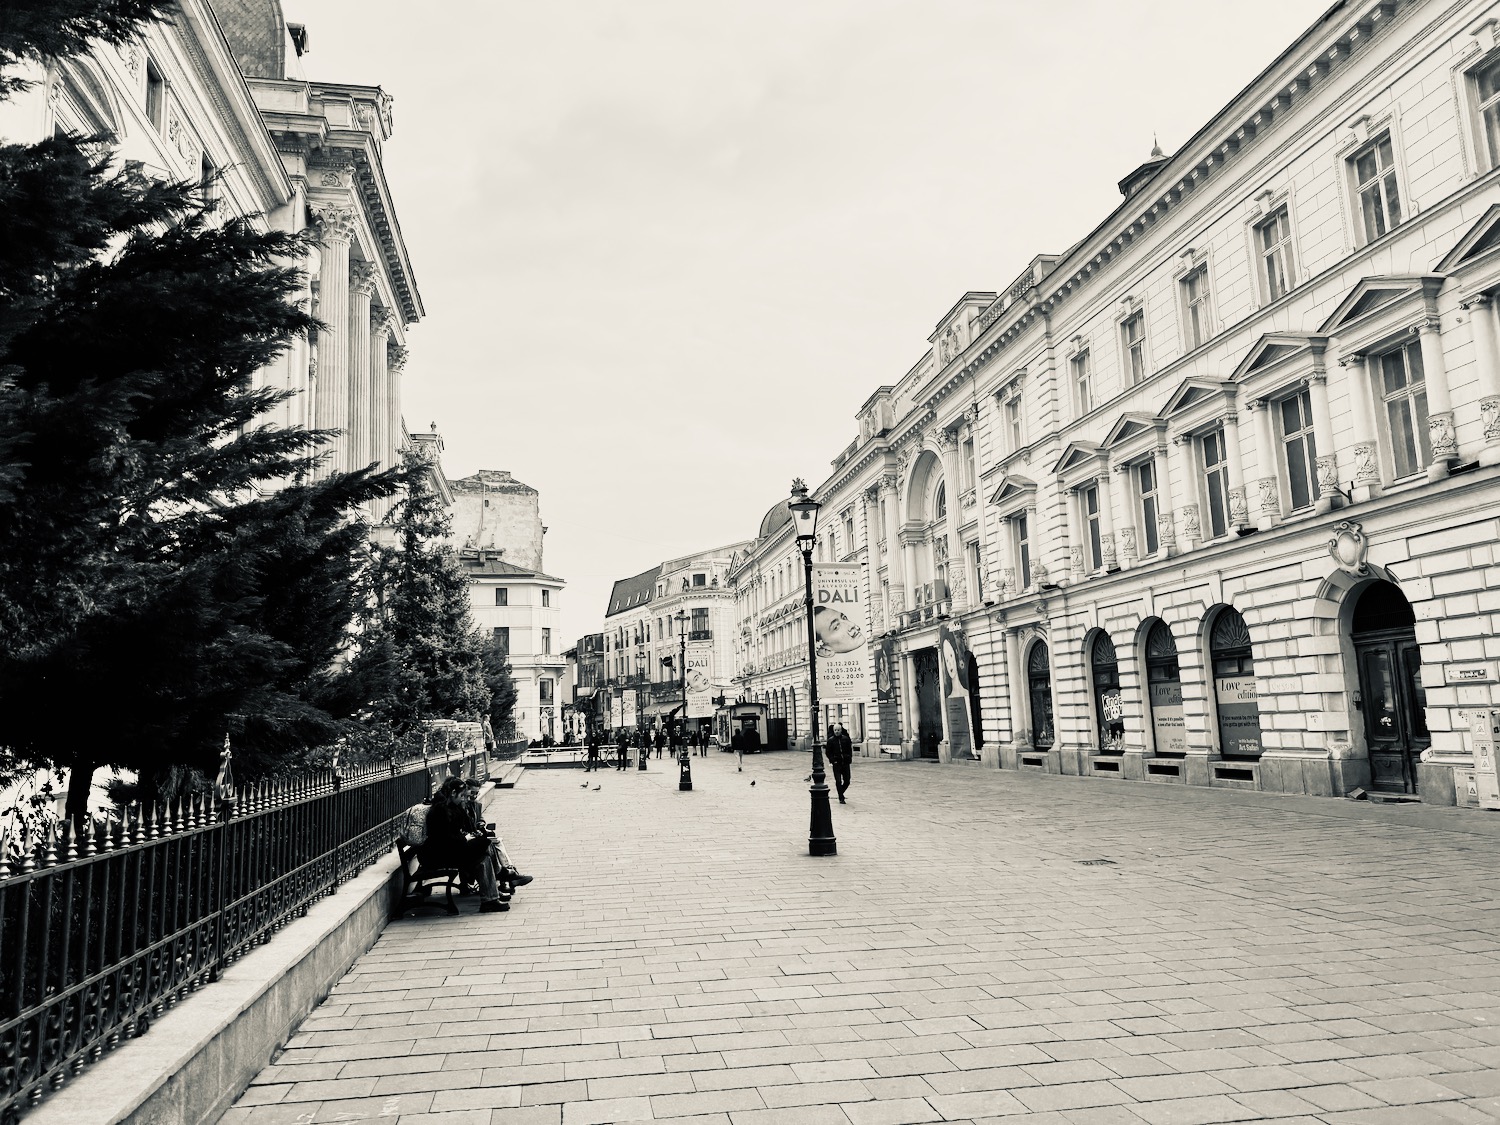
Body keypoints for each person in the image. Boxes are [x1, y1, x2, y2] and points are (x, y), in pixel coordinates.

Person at [422, 778, 508, 913]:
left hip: (449, 850)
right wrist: (465, 838)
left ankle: (491, 897)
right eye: (462, 796)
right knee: (483, 848)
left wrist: (470, 833)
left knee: (483, 852)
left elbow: (463, 828)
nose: (463, 799)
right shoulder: (440, 811)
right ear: (453, 793)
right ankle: (497, 884)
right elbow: (444, 839)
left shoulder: (453, 807)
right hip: (438, 854)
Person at [826, 722, 853, 803]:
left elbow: (849, 750)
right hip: (836, 763)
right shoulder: (831, 740)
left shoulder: (845, 739)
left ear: (841, 730)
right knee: (838, 781)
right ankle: (841, 798)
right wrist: (832, 760)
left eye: (838, 730)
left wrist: (849, 758)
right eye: (835, 730)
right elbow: (828, 752)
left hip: (845, 763)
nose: (836, 731)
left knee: (847, 781)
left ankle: (840, 793)